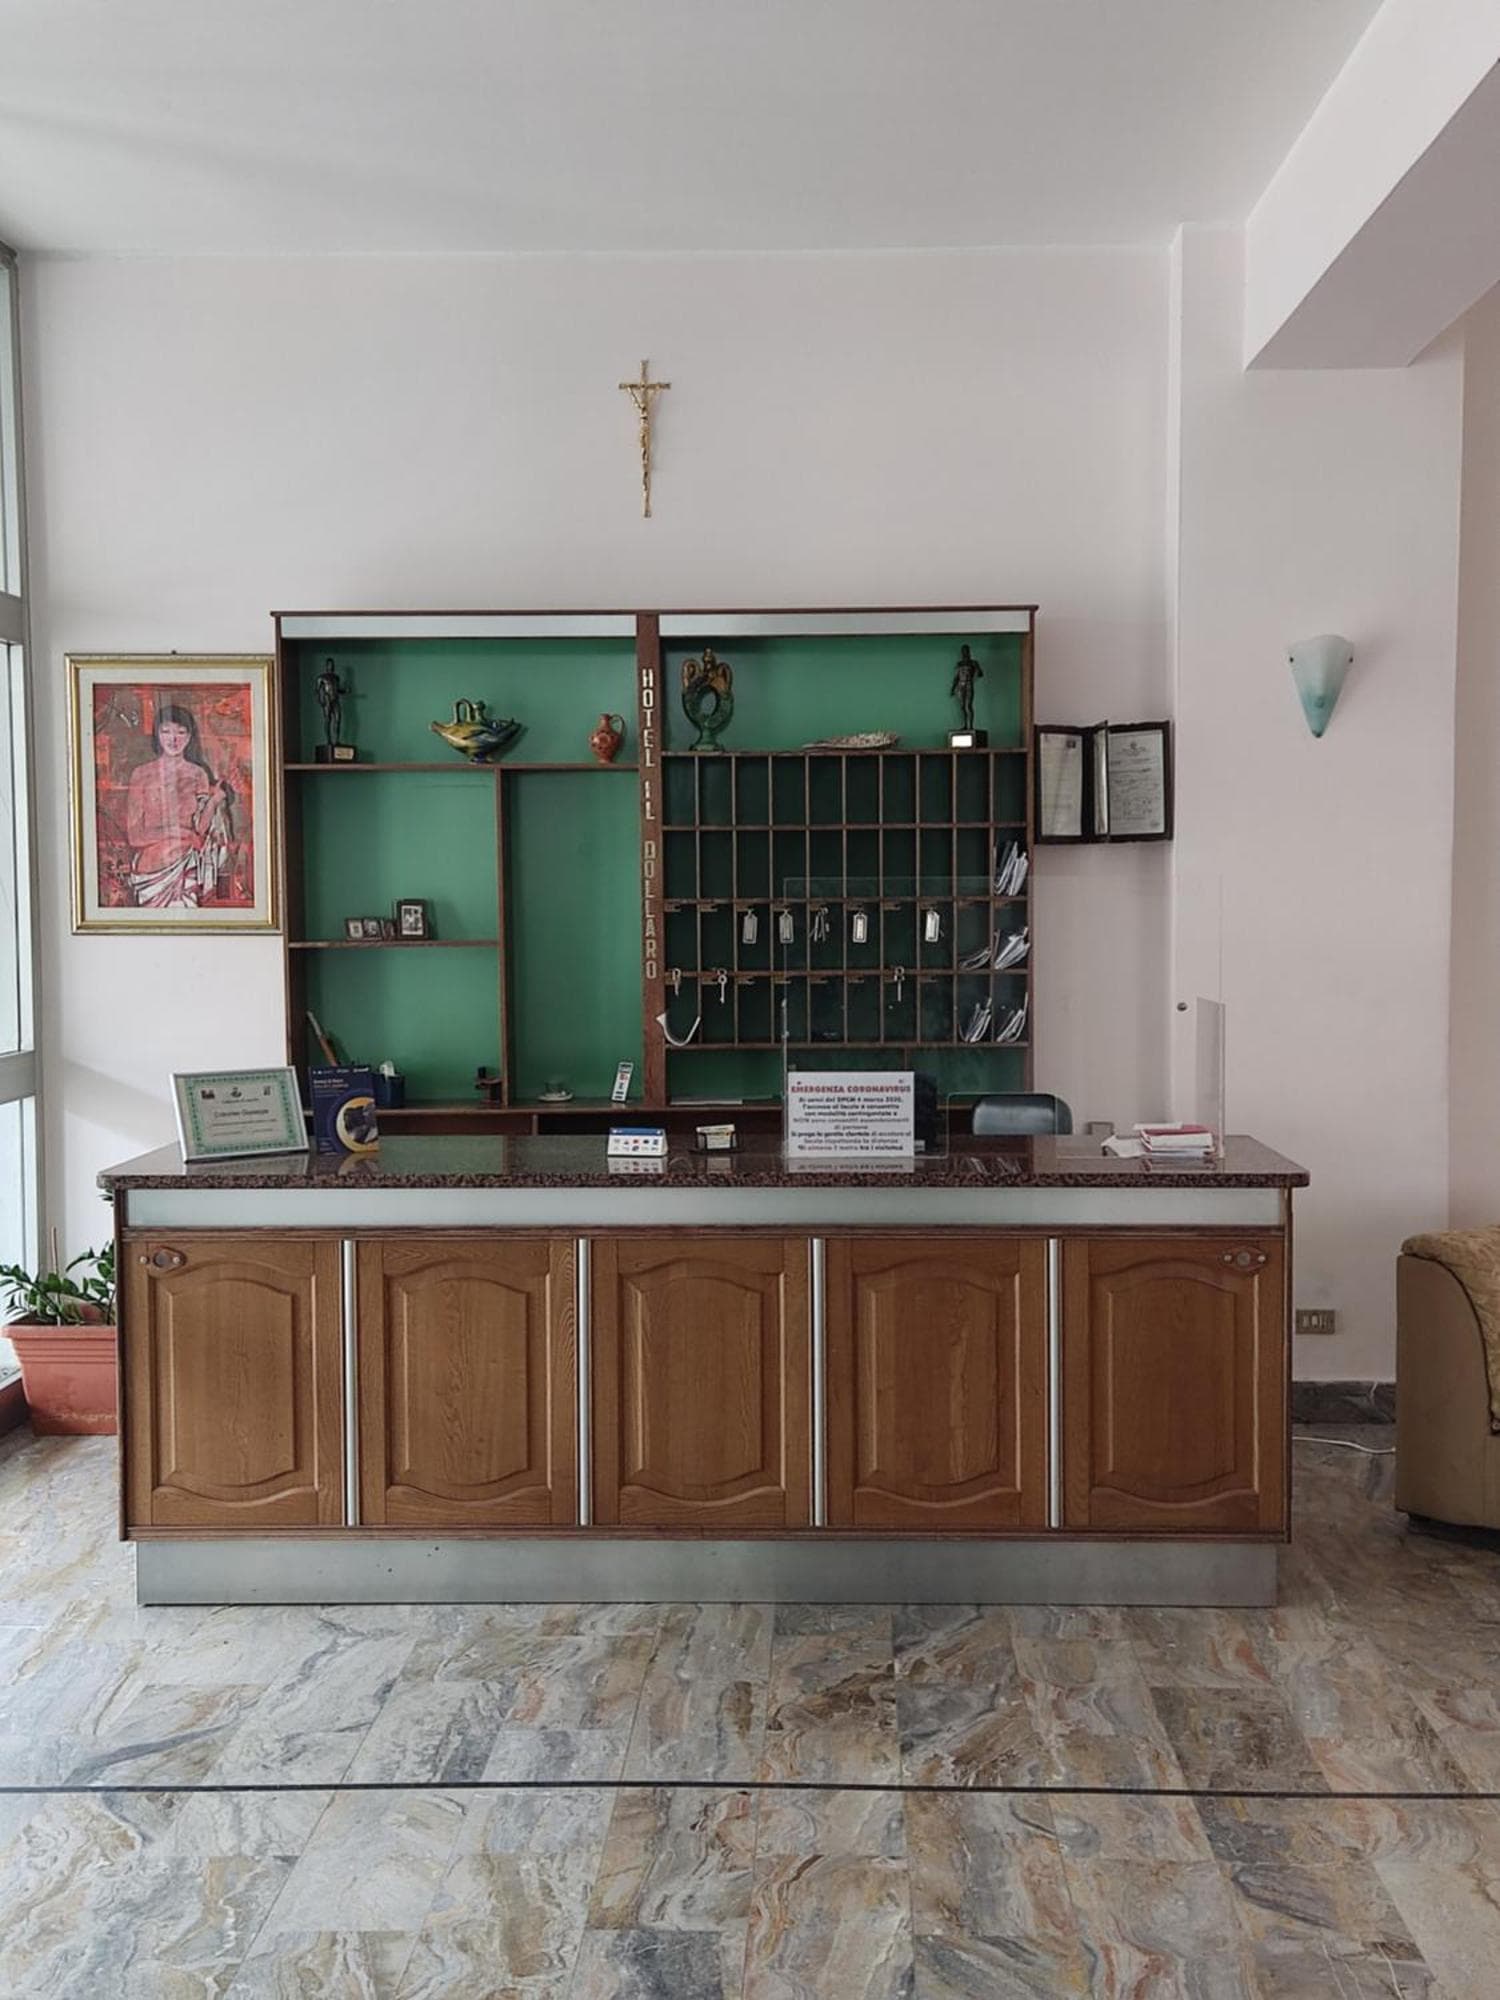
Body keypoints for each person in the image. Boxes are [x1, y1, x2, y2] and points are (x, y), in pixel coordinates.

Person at [124, 702, 234, 908]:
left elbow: (200, 830)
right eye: (166, 731)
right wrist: (179, 832)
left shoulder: (198, 774)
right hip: (151, 871)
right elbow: (135, 836)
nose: (173, 739)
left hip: (187, 868)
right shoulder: (141, 774)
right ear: (157, 734)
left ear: (190, 736)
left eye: (181, 732)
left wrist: (214, 801)